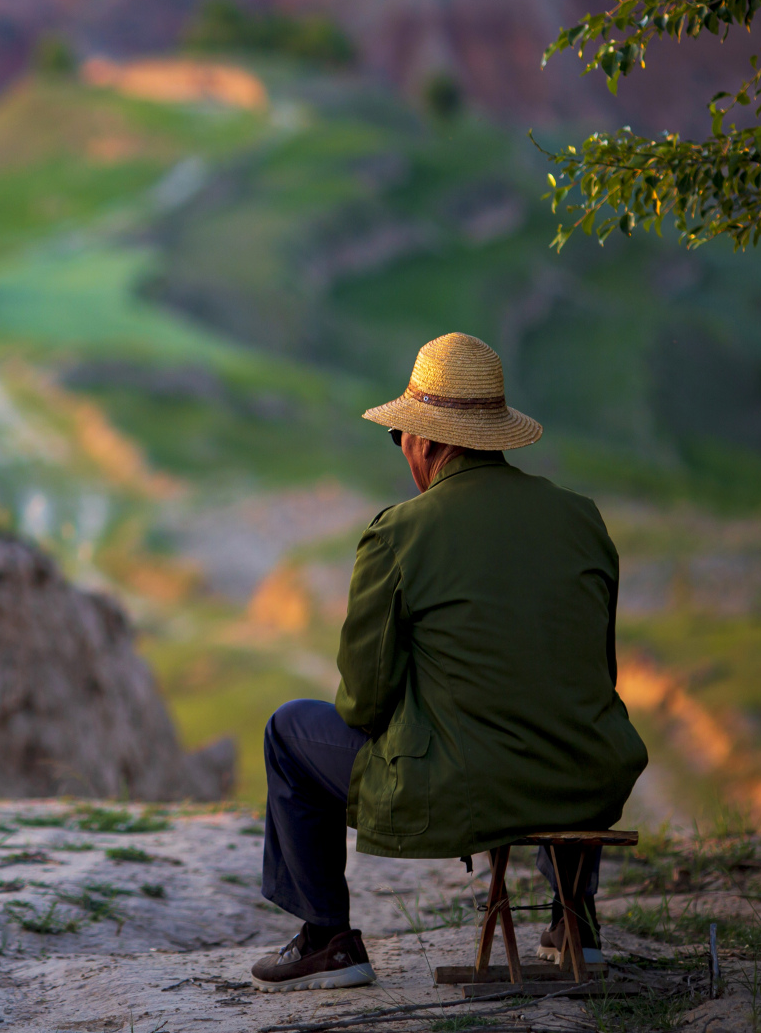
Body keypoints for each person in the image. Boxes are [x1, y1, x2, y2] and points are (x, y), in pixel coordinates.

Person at [248, 333, 647, 992]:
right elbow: (591, 676)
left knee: (289, 730)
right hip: (587, 780)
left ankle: (328, 939)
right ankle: (574, 921)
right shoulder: (583, 519)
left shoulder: (399, 532)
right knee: (556, 719)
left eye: (400, 436)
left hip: (464, 791)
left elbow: (363, 703)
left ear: (428, 442)